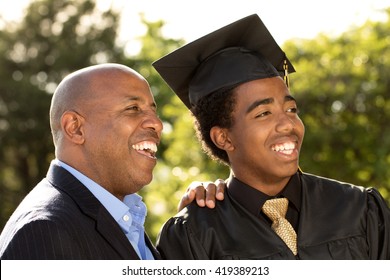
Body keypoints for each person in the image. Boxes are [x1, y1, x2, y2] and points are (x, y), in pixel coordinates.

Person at [152, 14, 390, 259]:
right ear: (223, 138)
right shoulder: (195, 235)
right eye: (264, 113)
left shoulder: (359, 208)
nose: (288, 124)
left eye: (291, 109)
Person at [0, 63, 221, 260]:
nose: (157, 124)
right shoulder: (45, 232)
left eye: (154, 111)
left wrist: (190, 235)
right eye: (133, 108)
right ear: (75, 128)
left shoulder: (122, 220)